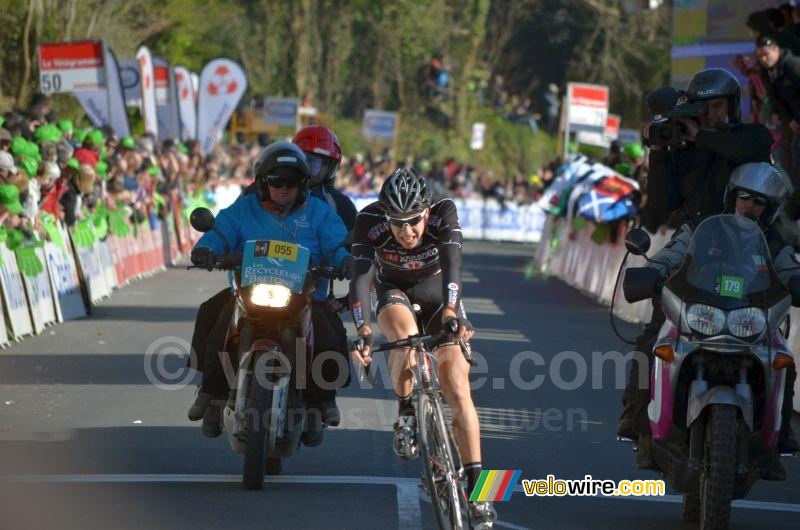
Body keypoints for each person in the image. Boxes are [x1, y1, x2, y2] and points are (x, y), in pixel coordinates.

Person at [348, 168, 496, 528]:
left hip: (440, 297)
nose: (406, 231)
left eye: (413, 221)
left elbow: (453, 265)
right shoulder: (368, 221)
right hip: (393, 291)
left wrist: (451, 311)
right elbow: (360, 279)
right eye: (397, 223)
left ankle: (483, 491)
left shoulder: (445, 211)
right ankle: (406, 413)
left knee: (459, 389)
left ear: (426, 212)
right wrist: (363, 329)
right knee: (405, 337)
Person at [620, 162, 798, 455]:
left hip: (749, 322)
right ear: (732, 196)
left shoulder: (775, 243)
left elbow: (789, 269)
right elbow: (671, 255)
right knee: (649, 344)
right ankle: (635, 418)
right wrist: (655, 270)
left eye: (759, 201)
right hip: (697, 313)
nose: (749, 205)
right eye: (744, 196)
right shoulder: (701, 227)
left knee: (782, 359)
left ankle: (781, 433)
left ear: (771, 209)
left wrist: (795, 280)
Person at [188, 127, 356, 436]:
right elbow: (219, 233)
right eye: (276, 181)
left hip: (305, 297)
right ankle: (210, 393)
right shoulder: (243, 207)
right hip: (248, 293)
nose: (283, 188)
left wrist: (343, 261)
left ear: (304, 185)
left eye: (292, 183)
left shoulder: (321, 212)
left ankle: (321, 400)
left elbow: (336, 245)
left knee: (331, 335)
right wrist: (207, 252)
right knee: (211, 316)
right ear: (262, 182)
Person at [642, 68, 773, 233]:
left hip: (738, 240)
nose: (710, 114)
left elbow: (749, 149)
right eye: (701, 108)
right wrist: (658, 150)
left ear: (732, 105)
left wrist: (701, 137)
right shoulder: (684, 148)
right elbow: (664, 203)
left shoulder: (753, 134)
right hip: (691, 242)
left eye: (717, 106)